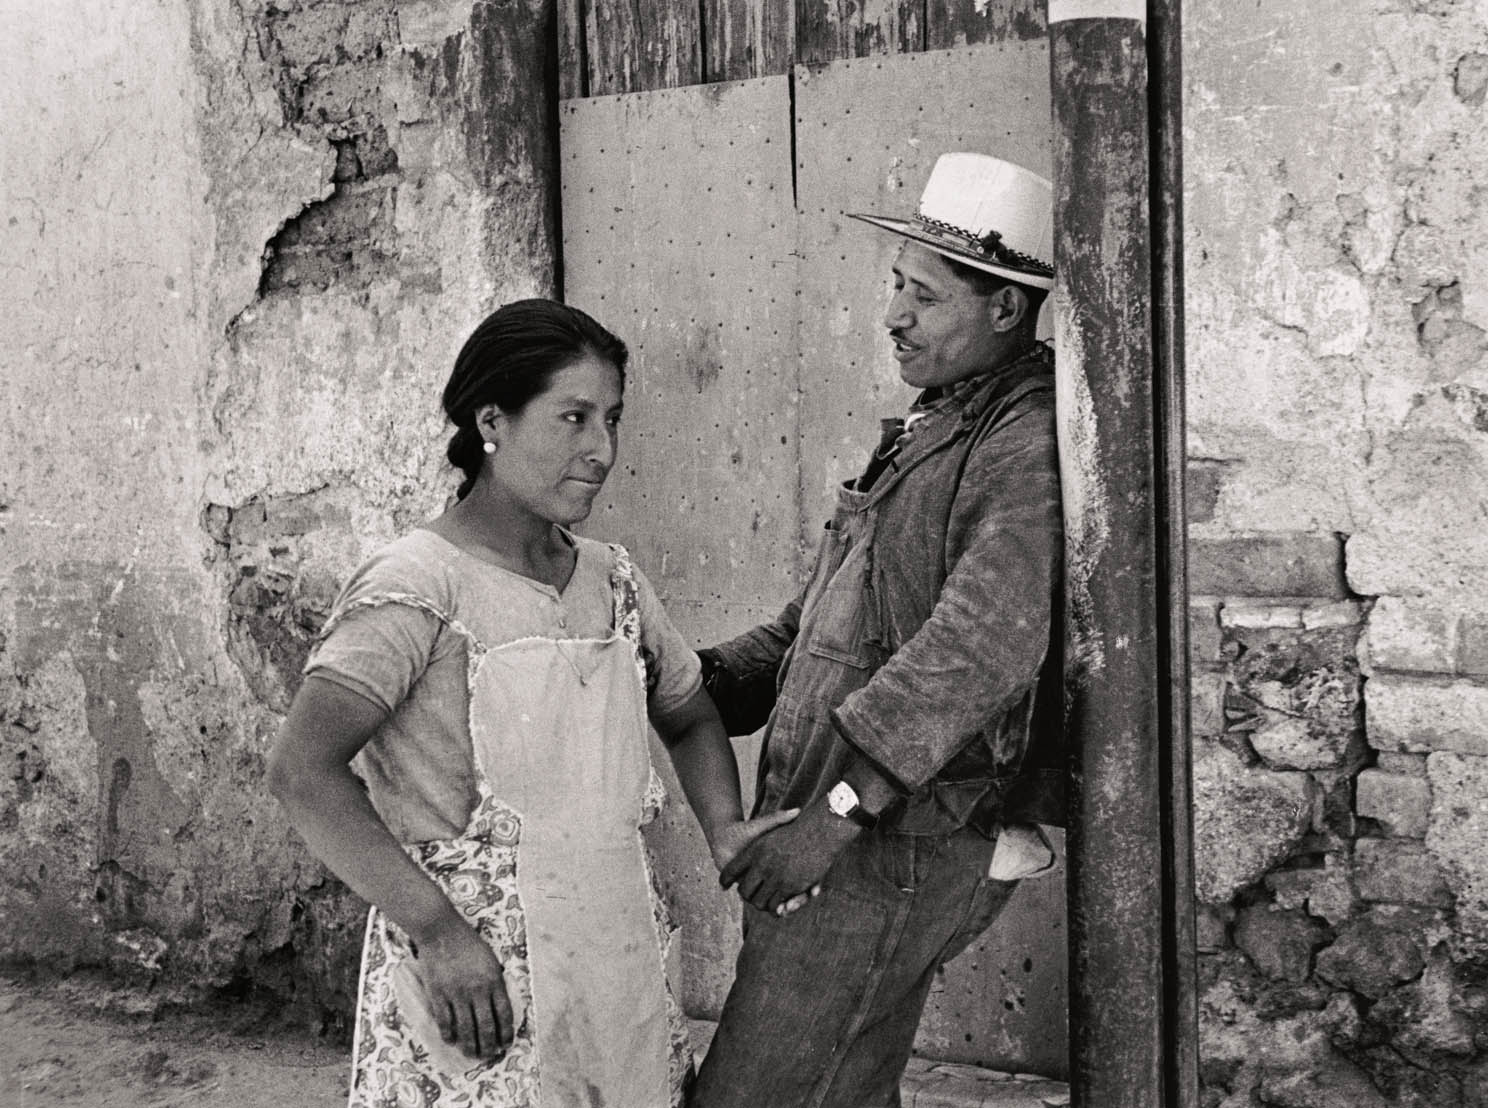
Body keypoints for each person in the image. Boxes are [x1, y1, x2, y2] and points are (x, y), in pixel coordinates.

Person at [266, 299, 797, 1108]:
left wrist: (723, 826)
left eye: (612, 420)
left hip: (615, 943)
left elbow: (689, 715)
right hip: (477, 977)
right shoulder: (419, 586)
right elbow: (304, 773)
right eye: (573, 417)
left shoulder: (611, 579)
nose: (601, 450)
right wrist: (439, 932)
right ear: (493, 420)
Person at [691, 153, 1067, 1108]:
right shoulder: (931, 424)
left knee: (760, 1095)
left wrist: (832, 819)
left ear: (1003, 311)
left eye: (925, 296)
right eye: (896, 285)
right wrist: (687, 678)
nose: (894, 314)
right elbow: (818, 622)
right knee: (842, 1086)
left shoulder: (1019, 443)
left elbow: (978, 650)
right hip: (849, 833)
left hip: (891, 842)